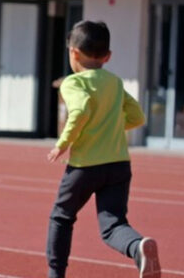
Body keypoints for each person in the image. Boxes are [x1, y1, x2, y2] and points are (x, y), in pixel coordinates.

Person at [46, 21, 160, 278]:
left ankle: (55, 275)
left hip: (85, 166)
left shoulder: (73, 83)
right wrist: (111, 127)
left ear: (73, 52)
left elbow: (81, 109)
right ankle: (137, 247)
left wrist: (62, 144)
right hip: (119, 165)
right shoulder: (115, 83)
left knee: (61, 218)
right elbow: (138, 116)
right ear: (107, 56)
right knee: (113, 225)